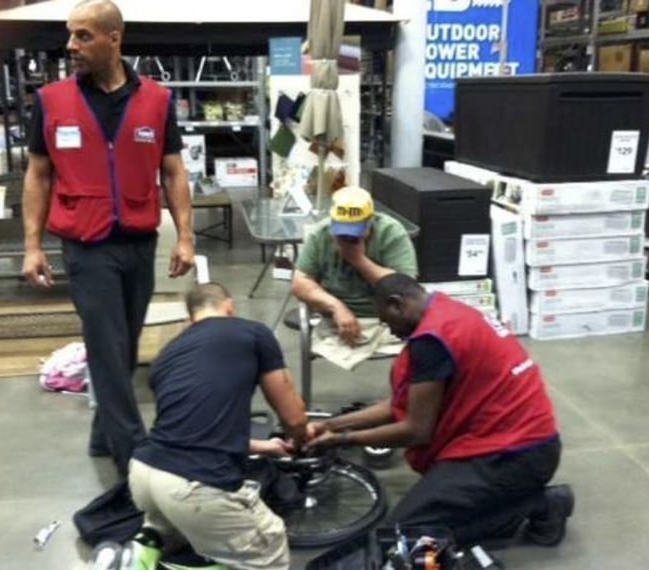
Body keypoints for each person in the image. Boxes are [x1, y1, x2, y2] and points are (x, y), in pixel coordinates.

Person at [22, 0, 195, 476]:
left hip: (139, 241)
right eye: (70, 35)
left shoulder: (156, 101)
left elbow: (173, 171)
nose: (71, 45)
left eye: (83, 36)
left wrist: (185, 237)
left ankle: (103, 436)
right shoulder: (52, 101)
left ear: (114, 39)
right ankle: (134, 458)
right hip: (85, 244)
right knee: (106, 344)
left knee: (123, 345)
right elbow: (38, 175)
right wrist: (32, 245)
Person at [306, 273, 574, 547]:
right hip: (523, 442)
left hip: (514, 455)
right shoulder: (446, 311)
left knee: (405, 535)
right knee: (428, 519)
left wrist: (342, 441)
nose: (390, 331)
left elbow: (416, 431)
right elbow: (401, 405)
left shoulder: (431, 340)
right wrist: (333, 425)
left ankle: (539, 504)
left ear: (397, 304)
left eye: (388, 320)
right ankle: (510, 505)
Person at [127, 282, 307, 570]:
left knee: (176, 528)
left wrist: (265, 447)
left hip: (145, 473)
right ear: (230, 307)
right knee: (268, 552)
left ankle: (145, 549)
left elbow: (193, 427)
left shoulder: (166, 356)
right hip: (194, 485)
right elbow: (294, 417)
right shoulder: (252, 332)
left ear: (189, 320)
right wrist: (300, 439)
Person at [291, 186, 417, 346]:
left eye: (355, 232)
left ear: (370, 220)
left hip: (386, 318)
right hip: (333, 316)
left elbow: (406, 288)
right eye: (342, 231)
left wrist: (357, 259)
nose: (347, 238)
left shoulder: (391, 232)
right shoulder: (321, 234)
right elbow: (300, 282)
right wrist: (336, 307)